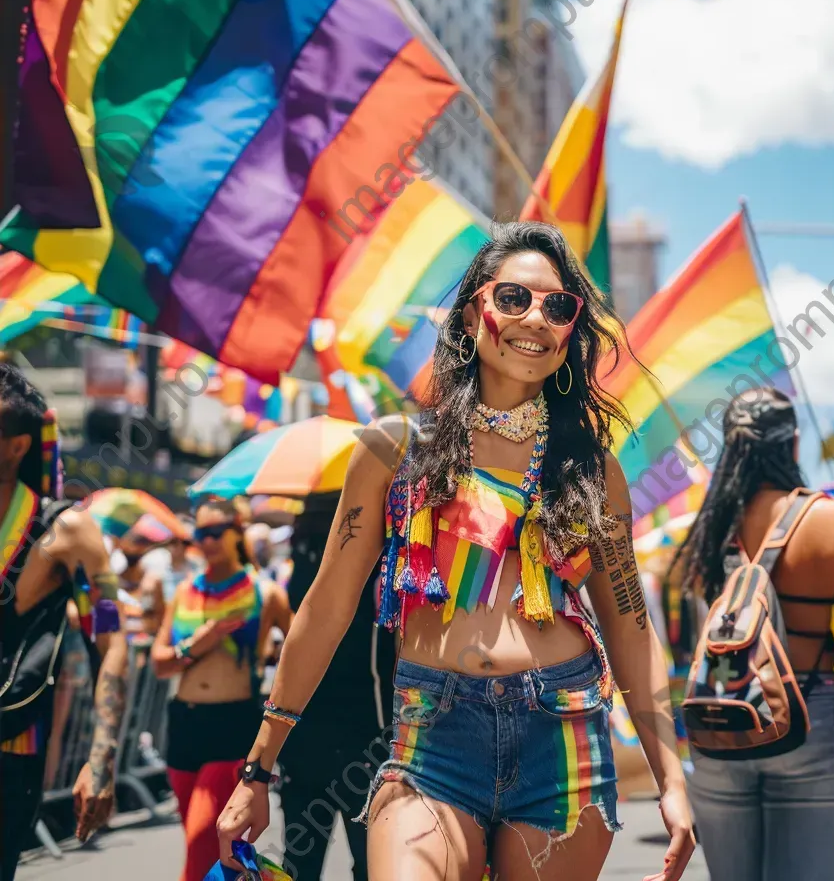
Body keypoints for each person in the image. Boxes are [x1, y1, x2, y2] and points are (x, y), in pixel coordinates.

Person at [217, 222, 694, 881]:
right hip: (431, 739)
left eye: (558, 307)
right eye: (513, 299)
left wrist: (671, 777)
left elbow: (631, 628)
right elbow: (324, 609)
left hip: (564, 733)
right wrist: (257, 767)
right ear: (473, 314)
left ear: (571, 333)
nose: (535, 319)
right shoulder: (394, 451)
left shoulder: (592, 470)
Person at [676, 389, 834, 881]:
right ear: (793, 445)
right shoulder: (830, 519)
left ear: (731, 448)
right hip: (810, 715)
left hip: (721, 719)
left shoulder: (709, 527)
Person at [0, 365, 129, 880]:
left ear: (16, 447)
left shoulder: (67, 533)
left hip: (9, 751)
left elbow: (111, 640)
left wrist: (101, 760)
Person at [151, 497, 291, 881]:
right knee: (208, 844)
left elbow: (302, 651)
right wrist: (195, 645)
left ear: (237, 533)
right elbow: (159, 662)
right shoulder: (183, 593)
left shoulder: (265, 593)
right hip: (184, 723)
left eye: (216, 533)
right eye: (200, 534)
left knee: (201, 838)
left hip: (233, 725)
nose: (207, 541)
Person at [273, 490, 396, 881]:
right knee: (371, 864)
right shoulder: (380, 562)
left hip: (308, 734)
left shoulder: (305, 565)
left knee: (300, 863)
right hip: (367, 739)